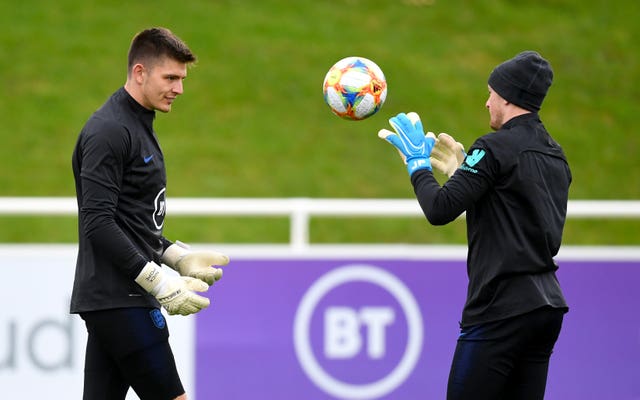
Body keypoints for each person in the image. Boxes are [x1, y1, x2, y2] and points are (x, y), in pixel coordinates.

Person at [378, 51, 570, 400]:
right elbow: (517, 214)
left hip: (501, 307)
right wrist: (468, 176)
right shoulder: (555, 154)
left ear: (508, 97)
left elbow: (439, 209)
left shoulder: (493, 147)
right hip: (546, 307)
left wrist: (417, 164)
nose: (487, 103)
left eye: (491, 94)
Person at [71, 27, 229, 400]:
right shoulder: (109, 130)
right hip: (121, 299)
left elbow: (130, 221)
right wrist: (158, 281)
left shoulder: (136, 122)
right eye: (170, 78)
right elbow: (98, 223)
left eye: (182, 79)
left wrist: (175, 256)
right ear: (140, 72)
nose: (179, 89)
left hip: (117, 298)